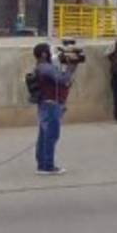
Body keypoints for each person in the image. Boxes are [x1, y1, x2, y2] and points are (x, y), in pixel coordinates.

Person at [31, 42, 77, 174]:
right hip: (51, 104)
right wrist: (70, 68)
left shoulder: (40, 67)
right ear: (45, 54)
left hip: (45, 103)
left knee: (44, 135)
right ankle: (48, 166)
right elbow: (62, 80)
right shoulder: (46, 68)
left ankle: (42, 164)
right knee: (51, 136)